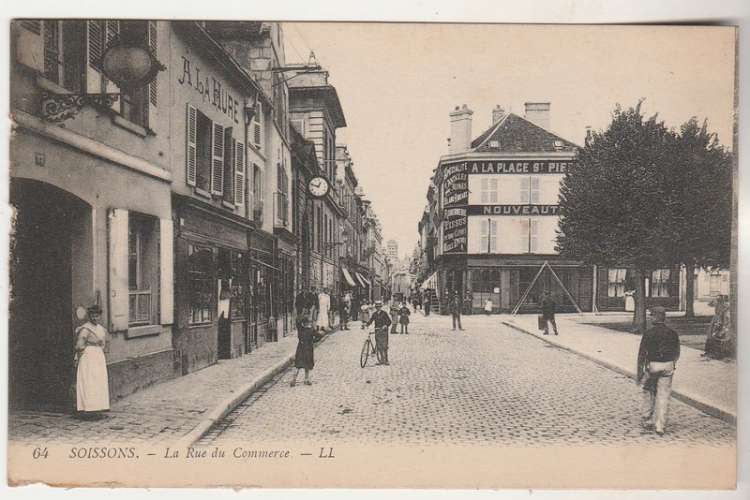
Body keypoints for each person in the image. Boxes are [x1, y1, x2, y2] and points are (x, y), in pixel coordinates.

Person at [637, 306, 680, 436]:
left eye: (651, 315)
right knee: (664, 395)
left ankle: (647, 419)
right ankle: (660, 425)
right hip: (668, 365)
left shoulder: (649, 333)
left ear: (655, 317)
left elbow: (642, 354)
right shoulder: (672, 333)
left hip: (653, 366)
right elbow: (677, 352)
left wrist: (640, 372)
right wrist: (673, 363)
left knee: (648, 390)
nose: (650, 317)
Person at [74, 304, 110, 420]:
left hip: (98, 356)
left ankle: (97, 408)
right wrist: (86, 350)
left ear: (100, 316)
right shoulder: (85, 329)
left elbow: (105, 343)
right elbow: (79, 345)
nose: (95, 318)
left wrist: (100, 350)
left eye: (97, 316)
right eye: (93, 316)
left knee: (99, 381)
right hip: (88, 357)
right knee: (89, 380)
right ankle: (88, 409)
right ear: (89, 316)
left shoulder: (100, 328)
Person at [703, 295, 731, 359]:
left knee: (717, 335)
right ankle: (708, 351)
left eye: (719, 299)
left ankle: (716, 352)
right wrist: (714, 300)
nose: (718, 300)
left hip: (720, 319)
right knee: (710, 334)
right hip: (715, 319)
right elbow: (709, 304)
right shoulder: (717, 304)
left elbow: (725, 312)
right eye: (717, 299)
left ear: (722, 299)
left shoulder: (725, 305)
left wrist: (723, 311)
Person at [290, 313, 315, 386]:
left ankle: (293, 380)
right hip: (308, 349)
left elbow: (297, 321)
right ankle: (306, 379)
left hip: (300, 348)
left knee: (297, 365)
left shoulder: (300, 330)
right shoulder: (311, 330)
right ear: (307, 323)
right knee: (307, 365)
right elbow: (318, 336)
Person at [366, 300, 392, 365]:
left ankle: (386, 360)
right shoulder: (374, 314)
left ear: (381, 307)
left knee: (385, 346)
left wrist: (385, 325)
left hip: (384, 332)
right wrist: (366, 324)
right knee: (379, 345)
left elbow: (389, 321)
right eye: (377, 307)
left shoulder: (384, 313)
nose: (378, 308)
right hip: (377, 331)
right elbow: (370, 321)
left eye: (379, 307)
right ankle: (381, 360)